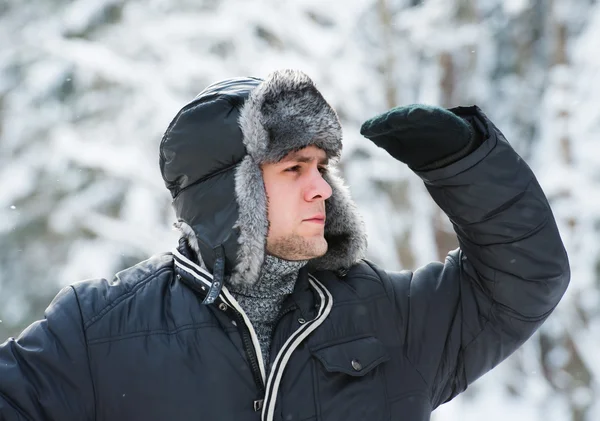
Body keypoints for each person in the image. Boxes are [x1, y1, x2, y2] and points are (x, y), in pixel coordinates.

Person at [0, 69, 569, 421]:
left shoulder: (391, 320)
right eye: (294, 167)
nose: (323, 186)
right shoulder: (98, 331)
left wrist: (466, 163)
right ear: (229, 195)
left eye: (322, 166)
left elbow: (523, 281)